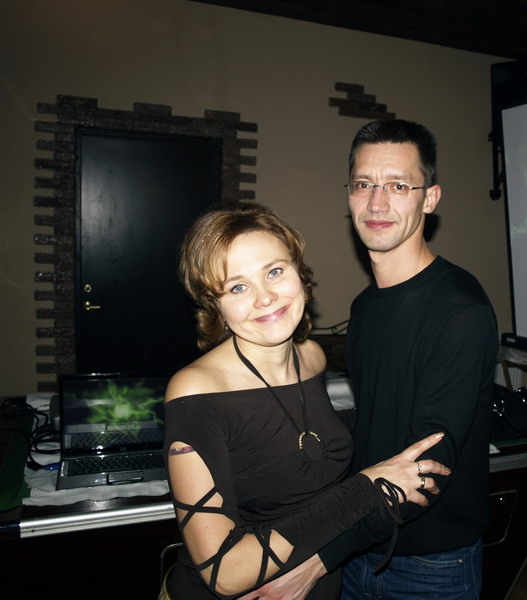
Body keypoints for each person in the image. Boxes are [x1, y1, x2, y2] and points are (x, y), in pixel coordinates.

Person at [160, 201, 451, 600]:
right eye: (238, 287)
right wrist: (367, 488)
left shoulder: (311, 359)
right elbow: (224, 572)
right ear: (216, 306)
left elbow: (300, 448)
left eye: (274, 271)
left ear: (299, 273)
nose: (265, 297)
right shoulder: (195, 391)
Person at [263, 119, 499, 599]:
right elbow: (377, 426)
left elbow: (425, 469)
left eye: (398, 185)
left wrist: (319, 559)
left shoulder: (461, 310)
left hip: (430, 565)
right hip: (361, 544)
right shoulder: (365, 307)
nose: (376, 203)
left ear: (429, 199)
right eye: (364, 184)